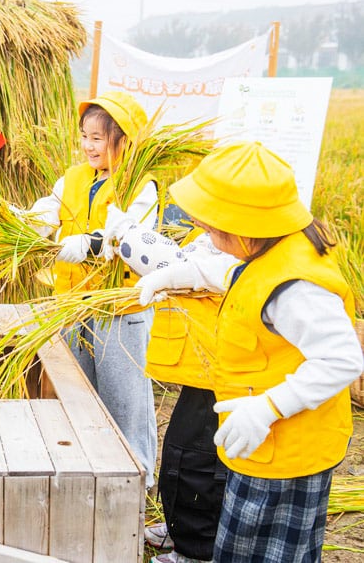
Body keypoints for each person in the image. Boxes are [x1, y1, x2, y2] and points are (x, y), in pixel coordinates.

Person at [148, 141, 363, 562]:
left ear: (243, 225)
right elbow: (235, 274)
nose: (206, 235)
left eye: (212, 229)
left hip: (288, 454)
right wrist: (180, 274)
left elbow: (342, 359)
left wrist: (268, 407)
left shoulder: (297, 287)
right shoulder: (269, 252)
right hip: (263, 446)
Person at [26, 90, 159, 489]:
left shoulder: (140, 186)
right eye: (84, 136)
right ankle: (90, 480)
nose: (88, 146)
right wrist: (26, 224)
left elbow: (128, 237)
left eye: (98, 138)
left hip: (119, 314)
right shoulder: (73, 178)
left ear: (124, 139)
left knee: (124, 403)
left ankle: (136, 486)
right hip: (72, 308)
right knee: (77, 396)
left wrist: (89, 244)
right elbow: (49, 210)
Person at [107, 206, 238, 563]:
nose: (196, 218)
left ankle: (196, 550)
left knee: (200, 460)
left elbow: (187, 267)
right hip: (200, 368)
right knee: (181, 451)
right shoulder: (212, 239)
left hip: (221, 372)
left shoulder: (240, 249)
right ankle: (180, 527)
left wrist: (130, 235)